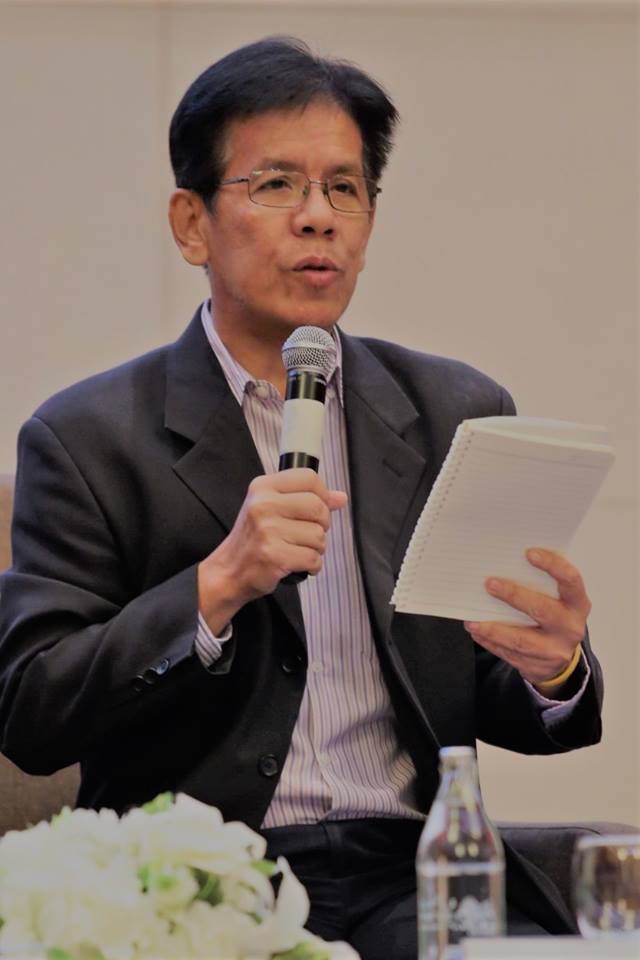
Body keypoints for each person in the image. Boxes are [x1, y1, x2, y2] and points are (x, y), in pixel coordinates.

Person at [0, 37, 603, 960]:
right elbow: (33, 714)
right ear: (192, 223)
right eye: (277, 184)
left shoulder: (453, 412)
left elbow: (495, 690)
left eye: (344, 188)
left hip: (413, 875)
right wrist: (216, 586)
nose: (319, 218)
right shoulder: (87, 439)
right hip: (207, 882)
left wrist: (553, 669)